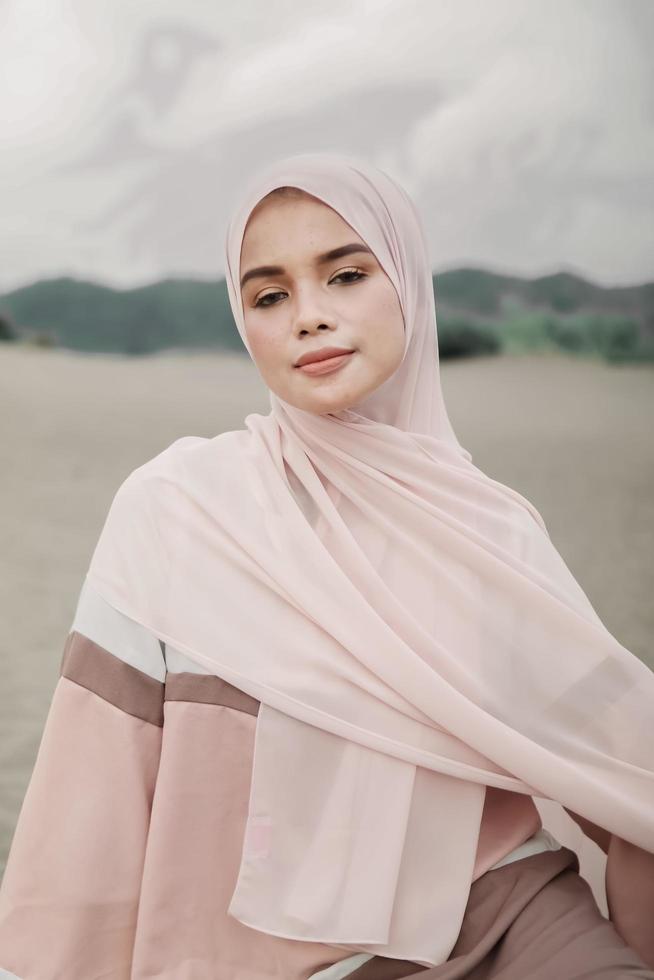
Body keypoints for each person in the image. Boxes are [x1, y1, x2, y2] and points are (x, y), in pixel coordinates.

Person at [0, 153, 652, 980]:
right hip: (263, 957)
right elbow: (93, 792)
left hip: (503, 911)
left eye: (346, 275)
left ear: (408, 284)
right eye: (270, 295)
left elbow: (621, 761)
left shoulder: (491, 529)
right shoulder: (180, 508)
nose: (308, 316)